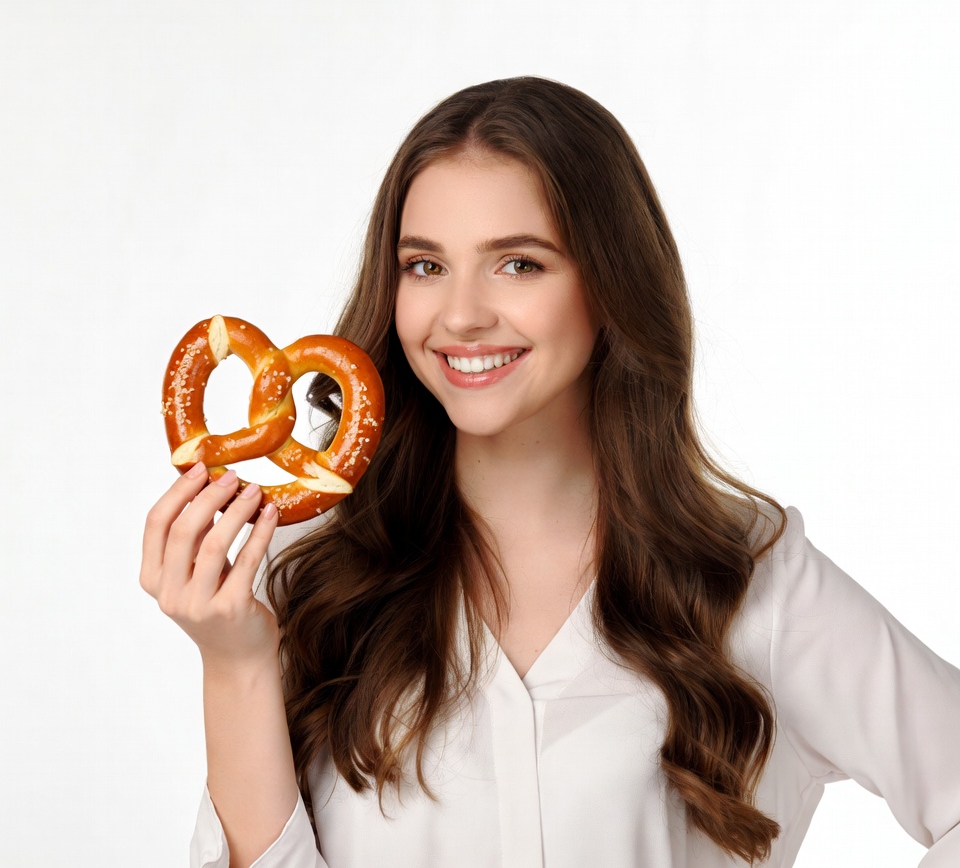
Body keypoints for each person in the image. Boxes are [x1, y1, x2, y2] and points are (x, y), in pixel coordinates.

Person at [141, 77, 960, 868]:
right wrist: (236, 664)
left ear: (609, 284)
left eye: (519, 264)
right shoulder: (311, 587)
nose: (460, 314)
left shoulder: (751, 582)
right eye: (425, 266)